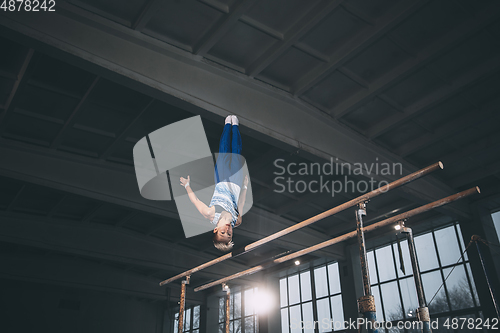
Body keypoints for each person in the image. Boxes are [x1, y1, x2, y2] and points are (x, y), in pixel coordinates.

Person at [180, 115, 249, 252]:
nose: (227, 231)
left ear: (215, 229)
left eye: (222, 233)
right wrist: (245, 186)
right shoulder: (237, 221)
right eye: (229, 234)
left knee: (224, 151)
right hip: (236, 182)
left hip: (222, 179)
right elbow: (240, 203)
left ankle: (227, 125)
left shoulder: (210, 213)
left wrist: (187, 185)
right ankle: (235, 126)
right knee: (236, 151)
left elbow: (195, 201)